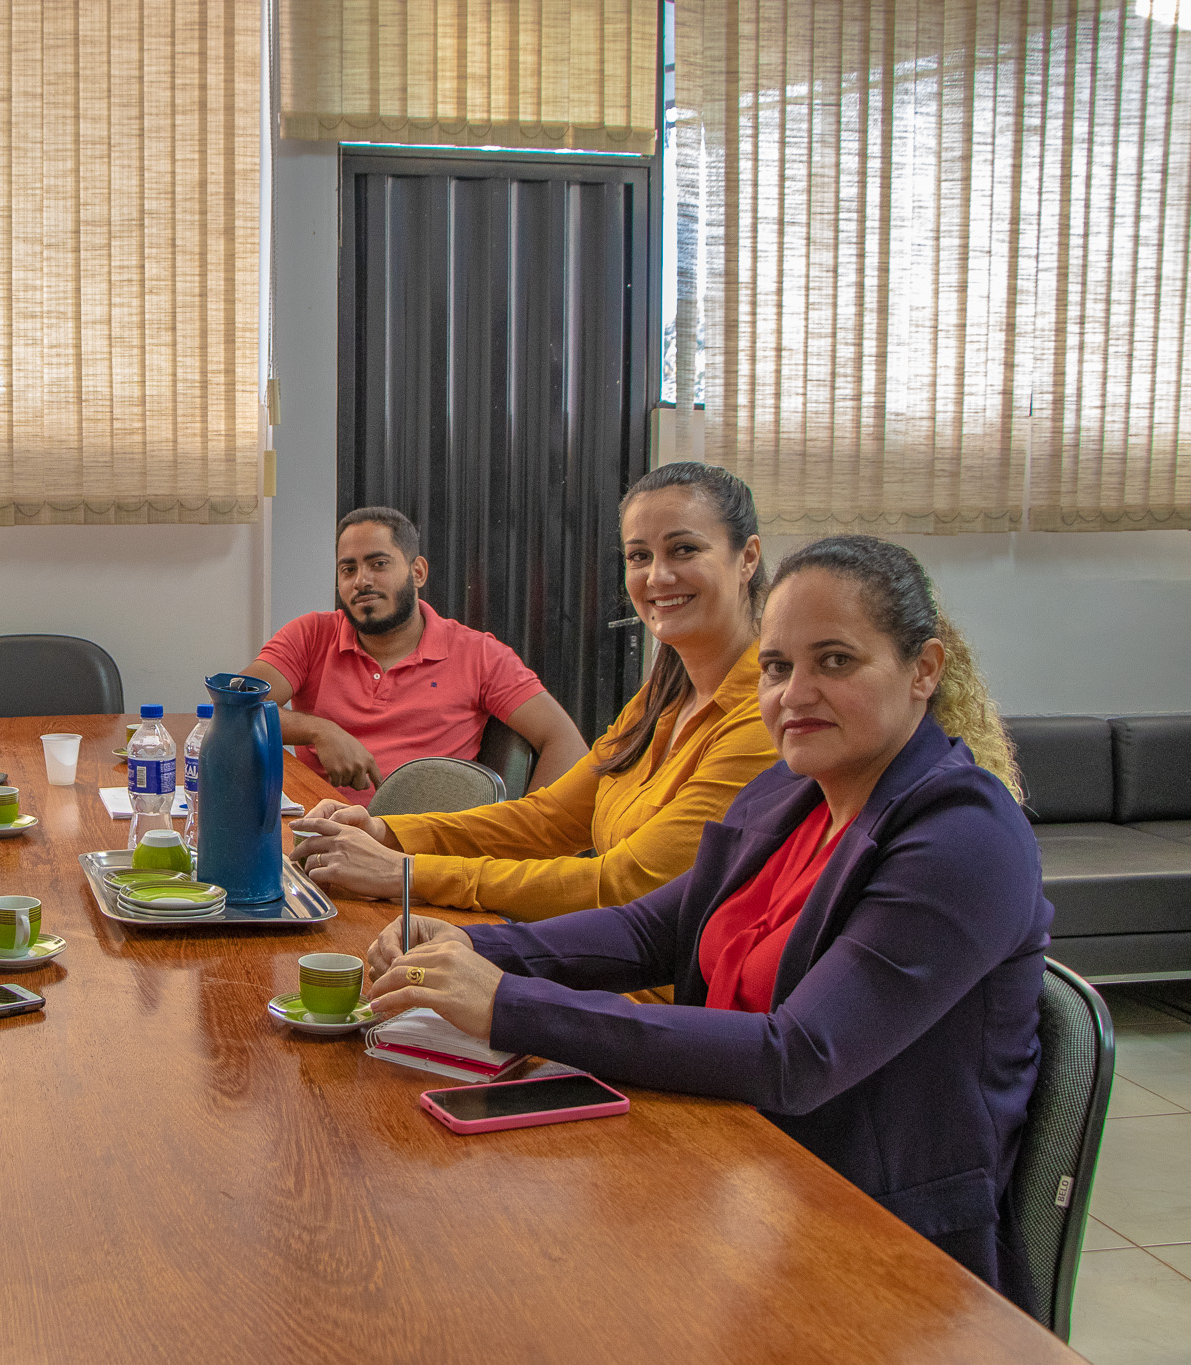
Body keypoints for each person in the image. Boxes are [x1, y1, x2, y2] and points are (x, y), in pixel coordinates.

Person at [363, 535, 1044, 1303]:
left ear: (924, 669)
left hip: (876, 1250)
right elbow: (650, 931)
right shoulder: (788, 796)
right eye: (780, 666)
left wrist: (505, 1004)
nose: (795, 693)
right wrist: (468, 944)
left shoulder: (965, 835)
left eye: (836, 661)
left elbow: (800, 1054)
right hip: (732, 1173)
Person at [291, 463, 779, 920]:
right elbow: (549, 819)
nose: (657, 576)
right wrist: (386, 832)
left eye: (685, 550)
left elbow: (624, 886)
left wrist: (404, 873)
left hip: (657, 997)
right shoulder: (662, 698)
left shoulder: (765, 717)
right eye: (639, 556)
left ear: (747, 558)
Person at [243, 506, 587, 803]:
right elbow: (235, 708)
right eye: (348, 569)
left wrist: (521, 839)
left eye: (378, 564)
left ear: (417, 572)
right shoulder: (311, 635)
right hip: (318, 840)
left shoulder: (479, 654)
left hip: (422, 853)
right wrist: (319, 731)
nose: (361, 581)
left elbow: (565, 743)